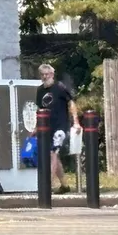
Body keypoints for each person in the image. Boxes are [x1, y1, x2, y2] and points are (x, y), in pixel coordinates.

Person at [36, 63, 79, 194]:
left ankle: (48, 185)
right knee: (54, 154)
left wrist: (76, 122)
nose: (45, 77)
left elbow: (71, 103)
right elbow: (39, 109)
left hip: (60, 126)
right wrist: (36, 127)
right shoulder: (40, 91)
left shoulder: (59, 88)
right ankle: (64, 185)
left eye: (47, 74)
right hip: (47, 127)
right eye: (43, 74)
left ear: (52, 74)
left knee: (53, 153)